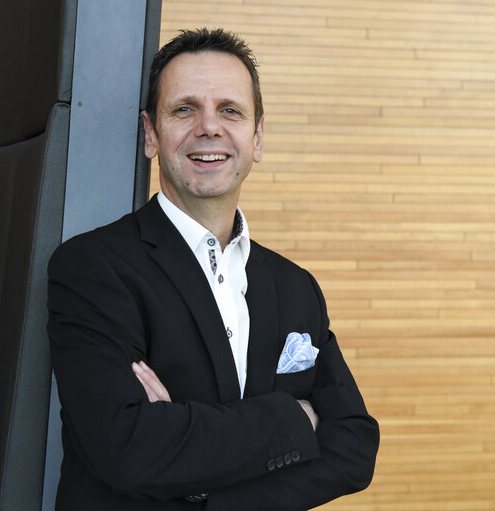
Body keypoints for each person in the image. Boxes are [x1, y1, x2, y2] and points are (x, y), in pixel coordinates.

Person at [47, 28, 379, 510]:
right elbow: (126, 449)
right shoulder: (93, 268)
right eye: (184, 109)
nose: (209, 127)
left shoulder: (296, 287)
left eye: (230, 110)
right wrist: (294, 419)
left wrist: (200, 484)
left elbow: (353, 447)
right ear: (150, 134)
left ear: (257, 137)